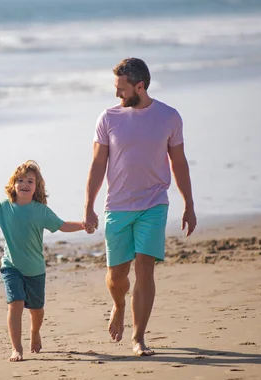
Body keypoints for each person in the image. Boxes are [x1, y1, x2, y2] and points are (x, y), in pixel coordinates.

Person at [83, 58, 197, 356]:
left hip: (154, 203)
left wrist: (189, 204)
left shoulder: (169, 117)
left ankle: (139, 337)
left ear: (140, 86)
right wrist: (89, 206)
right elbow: (97, 165)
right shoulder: (108, 118)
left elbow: (179, 163)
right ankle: (119, 304)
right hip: (118, 207)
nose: (117, 94)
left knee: (146, 269)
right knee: (118, 276)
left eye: (121, 88)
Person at [0, 160, 85, 362]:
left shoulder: (41, 210)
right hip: (12, 267)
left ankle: (35, 332)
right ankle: (16, 349)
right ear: (13, 184)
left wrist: (83, 225)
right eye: (20, 180)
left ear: (37, 186)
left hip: (35, 268)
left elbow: (61, 225)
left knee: (36, 310)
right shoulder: (4, 208)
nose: (25, 184)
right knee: (15, 304)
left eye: (30, 181)